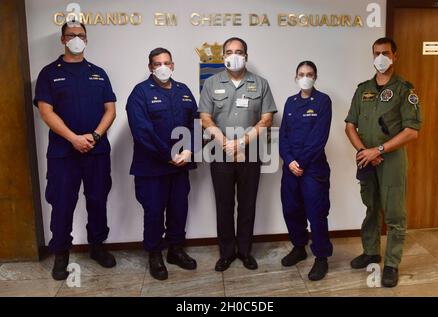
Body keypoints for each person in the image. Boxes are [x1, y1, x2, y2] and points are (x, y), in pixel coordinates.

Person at [34, 22, 117, 281]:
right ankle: (61, 254)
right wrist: (73, 138)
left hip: (96, 151)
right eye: (71, 35)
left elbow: (110, 109)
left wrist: (93, 136)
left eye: (81, 35)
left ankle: (97, 246)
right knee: (62, 204)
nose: (76, 39)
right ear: (62, 39)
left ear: (87, 39)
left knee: (97, 200)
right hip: (63, 154)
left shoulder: (98, 73)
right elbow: (46, 112)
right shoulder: (49, 73)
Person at [345, 37, 422, 287]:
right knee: (370, 208)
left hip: (392, 161)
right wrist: (364, 152)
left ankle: (391, 264)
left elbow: (412, 131)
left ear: (395, 55)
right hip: (366, 159)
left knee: (395, 214)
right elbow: (349, 126)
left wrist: (378, 149)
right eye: (377, 53)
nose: (381, 57)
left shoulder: (405, 89)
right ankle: (371, 252)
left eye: (386, 53)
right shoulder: (363, 89)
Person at [198, 37, 277, 272]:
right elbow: (204, 117)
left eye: (239, 51)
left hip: (250, 154)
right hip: (219, 153)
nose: (234, 55)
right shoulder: (211, 83)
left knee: (247, 204)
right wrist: (224, 142)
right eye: (229, 52)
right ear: (222, 56)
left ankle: (244, 251)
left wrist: (242, 141)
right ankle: (226, 253)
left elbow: (267, 118)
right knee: (223, 205)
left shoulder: (260, 83)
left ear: (246, 56)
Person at [126, 48, 198, 281]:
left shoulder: (184, 91)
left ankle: (176, 250)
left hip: (181, 165)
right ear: (150, 67)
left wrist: (190, 150)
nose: (163, 67)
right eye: (157, 63)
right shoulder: (140, 93)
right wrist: (167, 155)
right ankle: (155, 254)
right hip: (152, 168)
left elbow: (195, 124)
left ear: (173, 65)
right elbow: (141, 131)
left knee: (179, 209)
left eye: (166, 62)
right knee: (154, 212)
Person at [279, 61, 333, 281]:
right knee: (292, 210)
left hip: (312, 169)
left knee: (317, 213)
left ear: (316, 76)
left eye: (309, 74)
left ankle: (321, 257)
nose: (305, 77)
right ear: (295, 77)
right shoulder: (290, 102)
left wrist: (300, 162)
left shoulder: (323, 101)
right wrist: (290, 160)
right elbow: (283, 136)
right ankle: (299, 247)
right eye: (301, 74)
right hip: (291, 168)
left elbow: (318, 138)